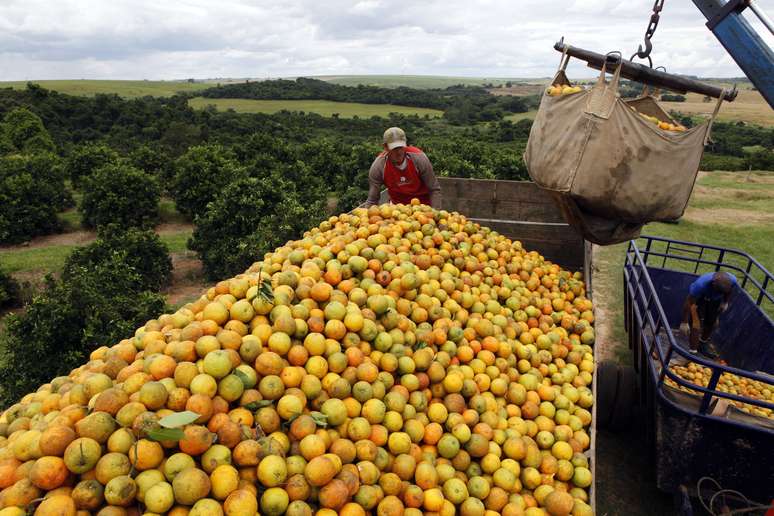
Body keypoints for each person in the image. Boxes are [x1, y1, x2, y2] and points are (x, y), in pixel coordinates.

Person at [364, 127, 442, 208]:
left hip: (423, 208)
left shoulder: (418, 158)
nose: (399, 152)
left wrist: (435, 213)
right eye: (395, 148)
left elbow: (434, 189)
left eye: (401, 147)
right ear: (385, 147)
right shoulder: (379, 166)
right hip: (397, 210)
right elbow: (372, 200)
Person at [680, 271, 737, 357]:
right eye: (718, 291)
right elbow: (689, 302)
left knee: (712, 323)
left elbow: (729, 291)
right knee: (696, 325)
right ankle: (693, 353)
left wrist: (725, 302)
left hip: (715, 301)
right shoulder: (700, 285)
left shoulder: (732, 280)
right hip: (700, 299)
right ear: (713, 284)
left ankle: (702, 345)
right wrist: (684, 322)